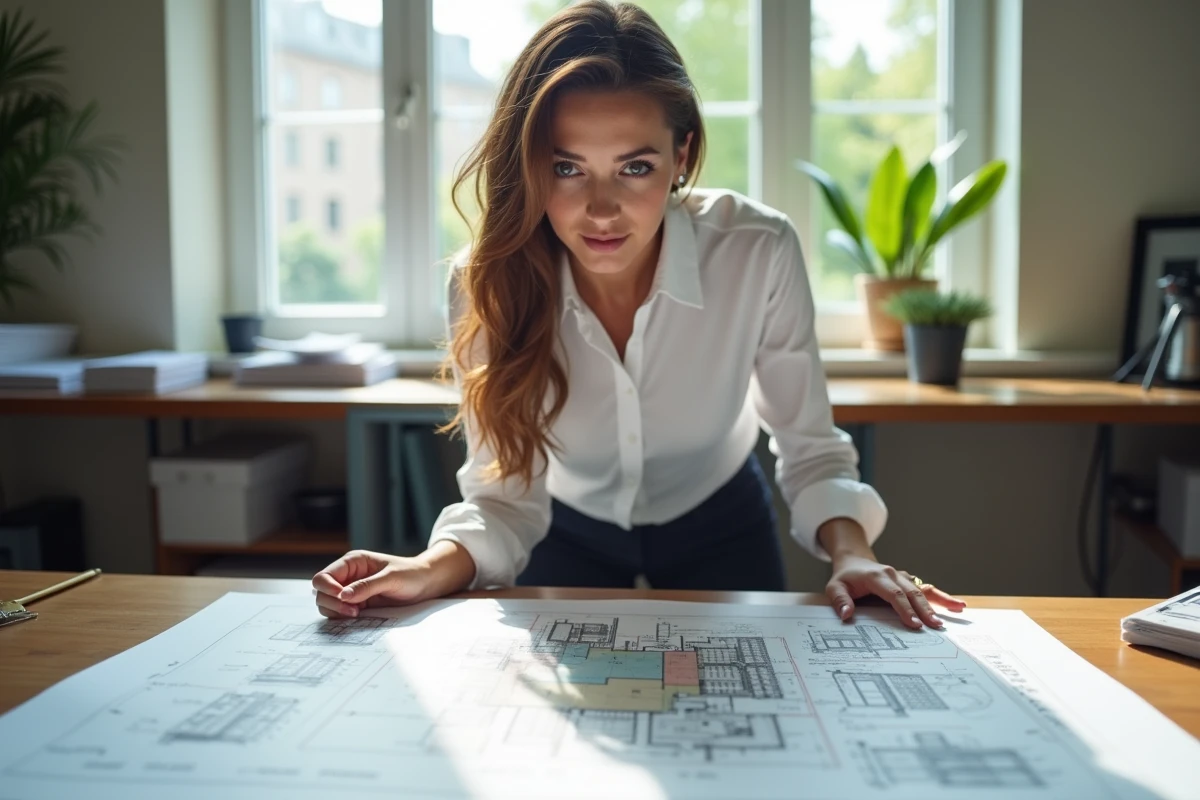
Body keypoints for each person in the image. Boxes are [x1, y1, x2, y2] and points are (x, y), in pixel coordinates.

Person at [312, 0, 964, 629]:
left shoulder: (757, 250)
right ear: (532, 164)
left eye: (635, 167)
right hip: (562, 530)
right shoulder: (488, 281)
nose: (601, 209)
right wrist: (430, 567)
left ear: (681, 156)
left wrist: (855, 556)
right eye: (568, 167)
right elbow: (501, 500)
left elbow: (811, 448)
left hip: (722, 515)